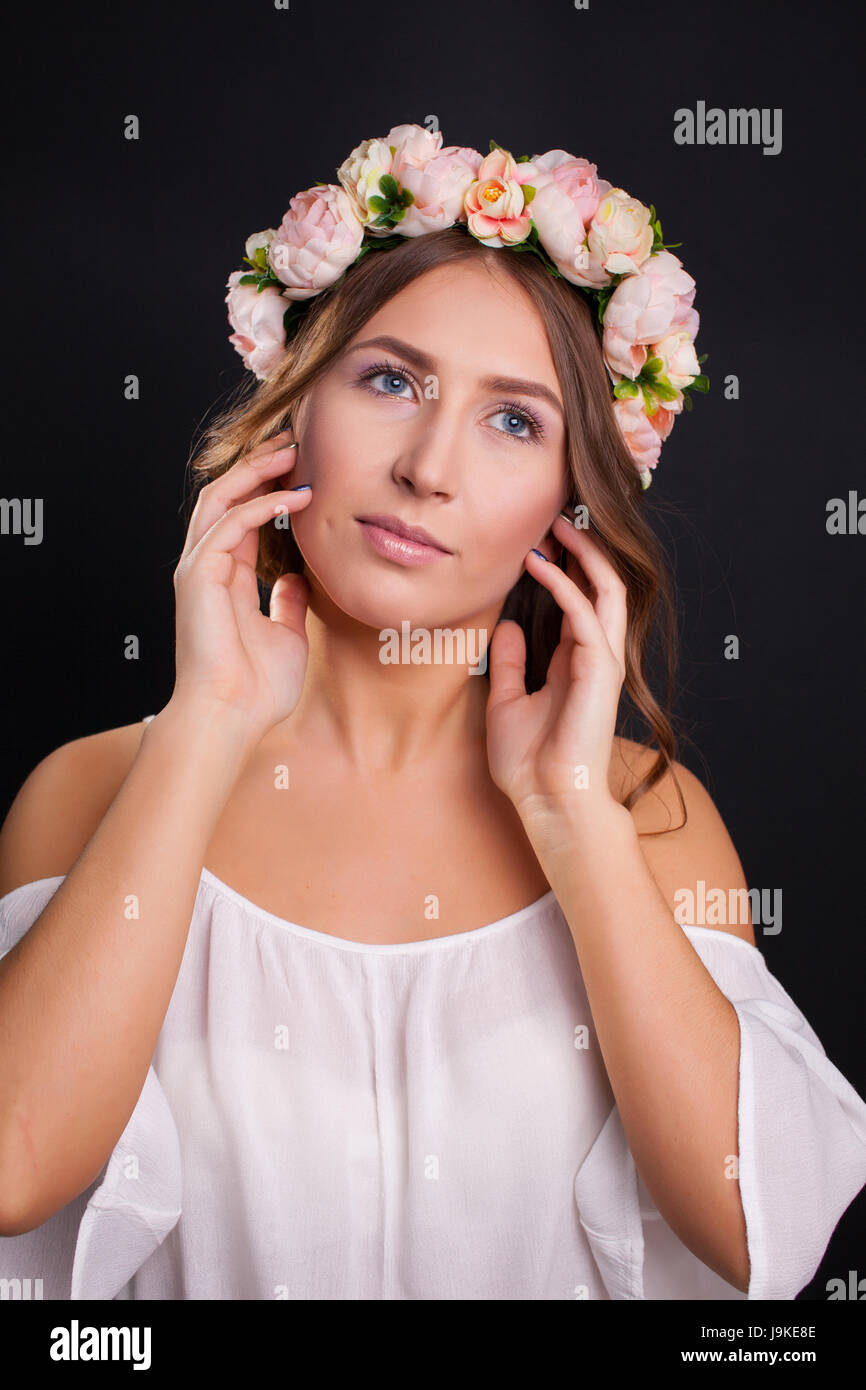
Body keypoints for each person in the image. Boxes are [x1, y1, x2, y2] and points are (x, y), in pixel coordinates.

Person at [1, 127, 865, 1302]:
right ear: (290, 408)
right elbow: (14, 1166)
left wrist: (568, 816)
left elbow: (761, 1238)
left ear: (572, 499)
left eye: (514, 420)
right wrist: (208, 720)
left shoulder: (643, 818)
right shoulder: (90, 789)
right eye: (390, 380)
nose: (428, 467)